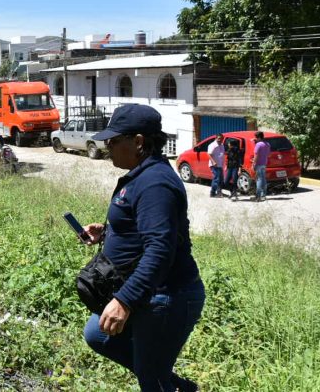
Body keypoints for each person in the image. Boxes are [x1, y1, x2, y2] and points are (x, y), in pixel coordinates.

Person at [78, 104, 204, 392]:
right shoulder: (143, 174)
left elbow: (160, 249)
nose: (107, 146)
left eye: (113, 141)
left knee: (152, 381)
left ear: (138, 142)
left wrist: (124, 301)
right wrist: (109, 232)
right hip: (151, 293)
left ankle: (160, 378)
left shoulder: (155, 183)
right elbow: (147, 229)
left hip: (166, 296)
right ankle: (170, 381)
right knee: (98, 334)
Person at [251, 131, 271, 201]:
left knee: (259, 179)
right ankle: (263, 195)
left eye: (256, 137)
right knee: (263, 179)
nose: (255, 139)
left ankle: (258, 196)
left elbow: (256, 155)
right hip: (264, 163)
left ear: (259, 137)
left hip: (258, 163)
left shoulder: (258, 145)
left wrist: (253, 164)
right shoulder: (267, 144)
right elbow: (268, 154)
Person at [207, 133, 225, 198]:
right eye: (218, 138)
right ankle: (212, 193)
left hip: (220, 165)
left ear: (223, 139)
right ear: (216, 138)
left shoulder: (222, 145)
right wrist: (213, 162)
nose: (219, 140)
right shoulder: (212, 145)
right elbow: (209, 154)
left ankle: (219, 192)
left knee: (220, 179)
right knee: (216, 179)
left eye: (221, 139)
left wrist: (223, 164)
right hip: (214, 165)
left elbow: (222, 155)